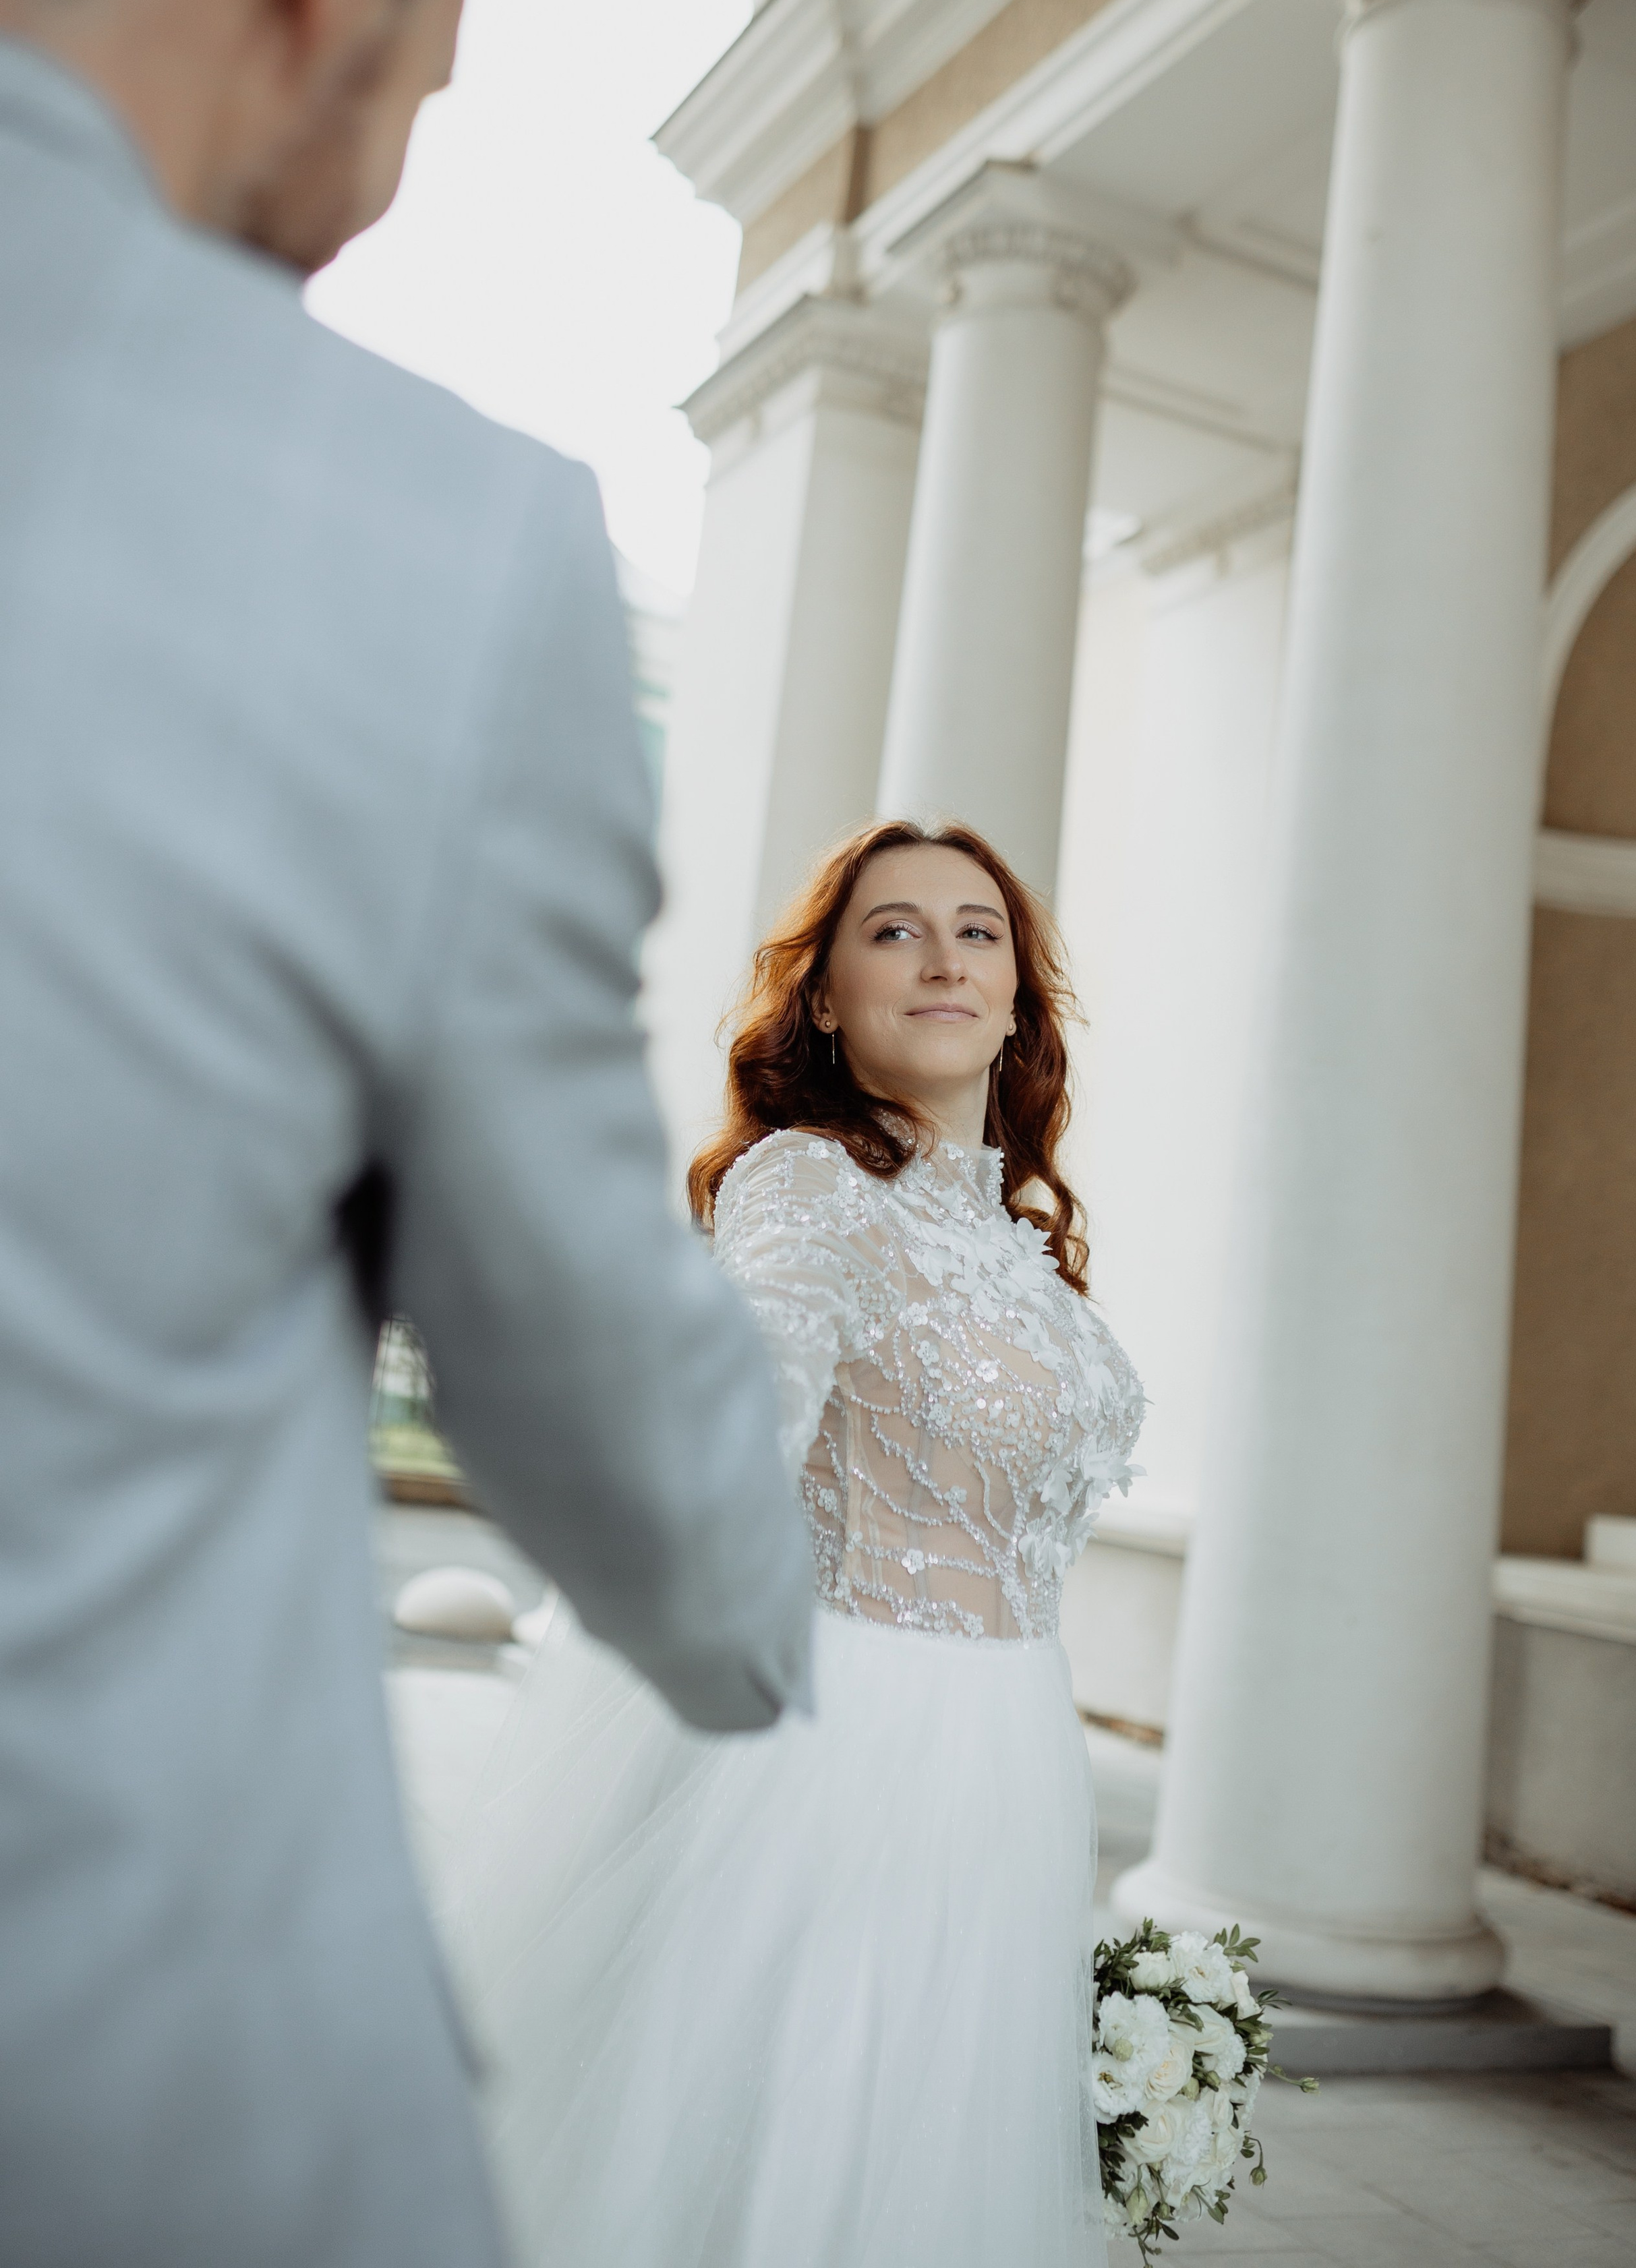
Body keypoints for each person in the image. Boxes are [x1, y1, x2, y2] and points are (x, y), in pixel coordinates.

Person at [0, 0, 811, 2266]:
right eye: (418, 103)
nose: (351, 213)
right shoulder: (420, 543)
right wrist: (773, 1599)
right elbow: (585, 1393)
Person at [447, 821, 1148, 2268]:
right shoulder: (810, 1189)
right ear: (822, 1000)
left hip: (1009, 1754)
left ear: (1019, 998)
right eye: (892, 930)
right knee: (793, 2147)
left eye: (980, 932)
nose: (944, 955)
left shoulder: (1019, 1244)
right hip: (846, 1751)